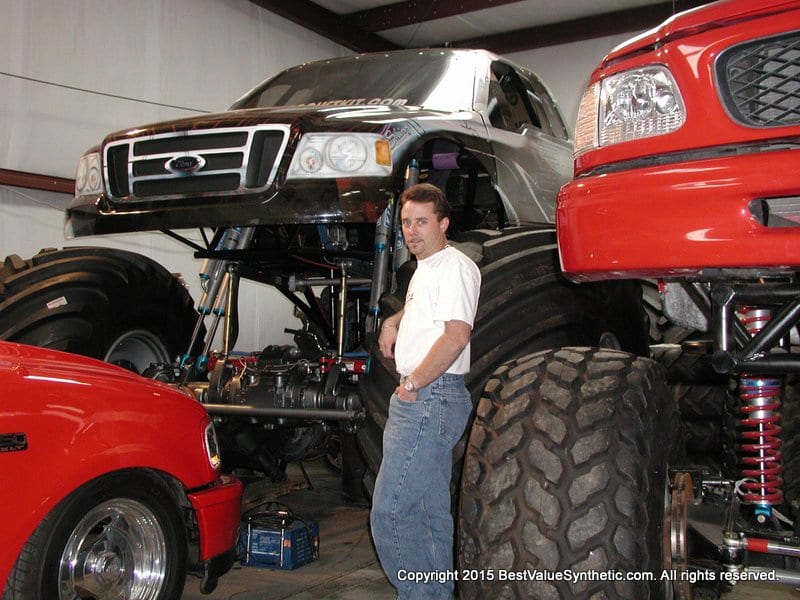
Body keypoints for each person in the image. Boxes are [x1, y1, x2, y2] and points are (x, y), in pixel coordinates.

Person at [370, 182, 481, 599]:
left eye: (421, 222)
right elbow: (430, 312)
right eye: (405, 223)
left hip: (428, 397)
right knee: (429, 512)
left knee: (390, 512)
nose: (411, 232)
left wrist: (414, 383)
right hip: (429, 397)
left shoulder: (454, 266)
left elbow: (456, 335)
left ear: (444, 223)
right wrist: (394, 320)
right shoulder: (427, 269)